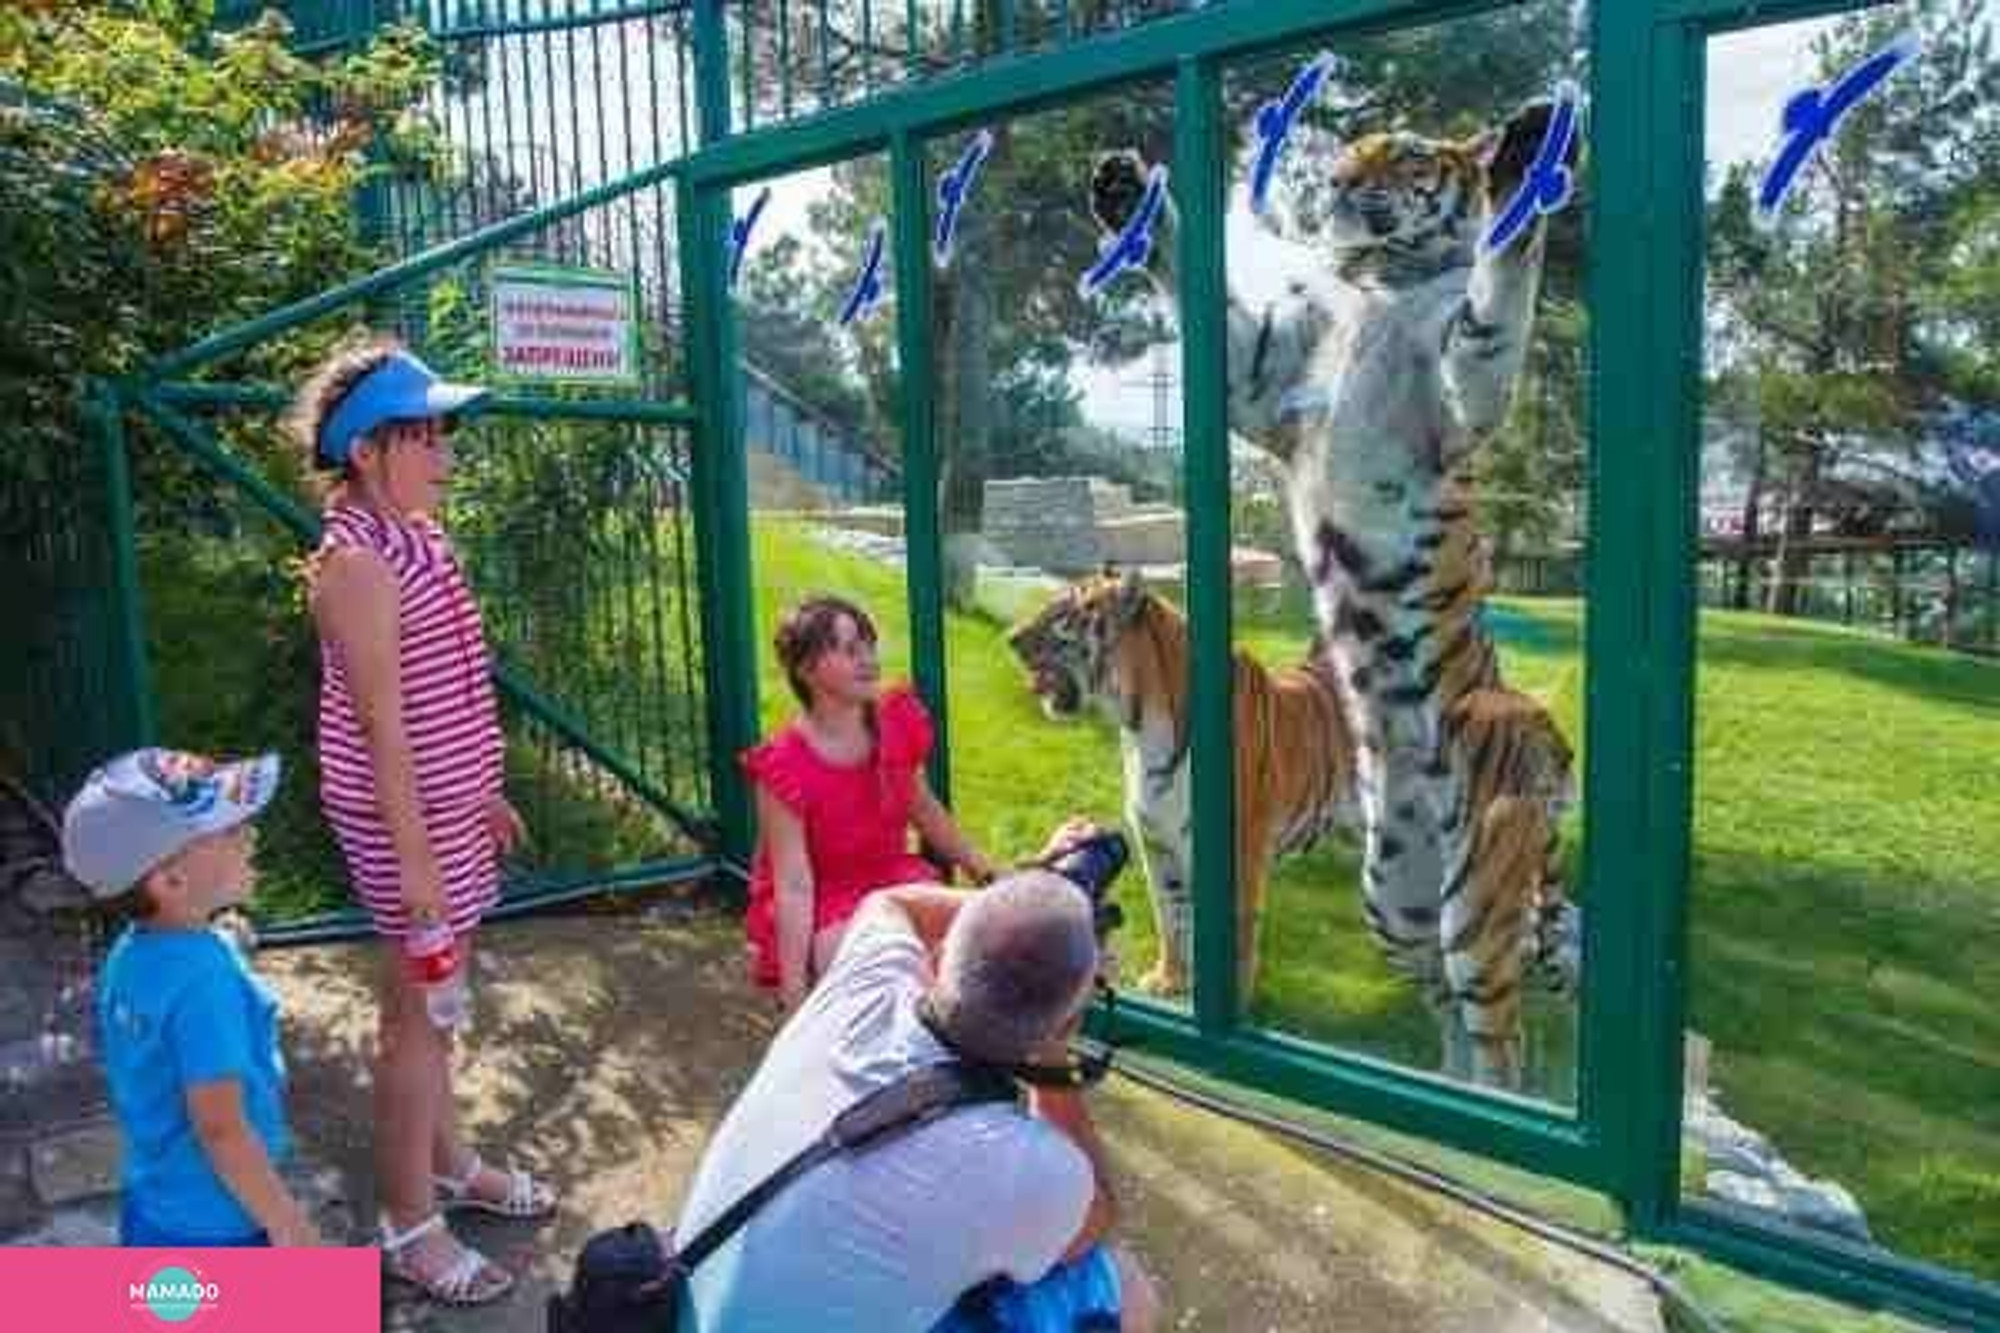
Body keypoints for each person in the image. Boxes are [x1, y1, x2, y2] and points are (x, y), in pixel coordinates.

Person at [291, 337, 552, 1305]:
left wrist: (481, 786)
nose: (445, 455)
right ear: (367, 451)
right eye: (426, 437)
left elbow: (446, 687)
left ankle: (451, 1162)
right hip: (407, 829)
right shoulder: (355, 563)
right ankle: (408, 1221)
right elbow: (382, 724)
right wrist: (415, 870)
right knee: (413, 1025)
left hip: (447, 813)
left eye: (445, 434)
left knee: (438, 1012)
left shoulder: (419, 539)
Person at [672, 858, 1163, 1332]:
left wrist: (1023, 903)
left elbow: (893, 905)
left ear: (939, 952)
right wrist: (1054, 1041)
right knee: (1121, 1287)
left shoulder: (862, 991)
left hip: (677, 1306)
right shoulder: (1031, 1171)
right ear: (1066, 1025)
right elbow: (1094, 1218)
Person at [62, 748, 321, 1248]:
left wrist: (216, 936)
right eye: (229, 831)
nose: (251, 835)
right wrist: (288, 1223)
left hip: (155, 1202)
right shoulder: (205, 983)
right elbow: (220, 1129)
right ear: (170, 882)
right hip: (221, 1222)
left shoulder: (132, 954)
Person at [743, 594, 999, 1009]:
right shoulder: (783, 767)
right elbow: (794, 884)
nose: (868, 659)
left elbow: (922, 806)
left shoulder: (893, 719)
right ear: (807, 670)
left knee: (967, 950)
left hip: (895, 876)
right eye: (849, 649)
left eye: (869, 644)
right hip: (831, 899)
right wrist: (793, 992)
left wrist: (982, 869)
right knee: (871, 968)